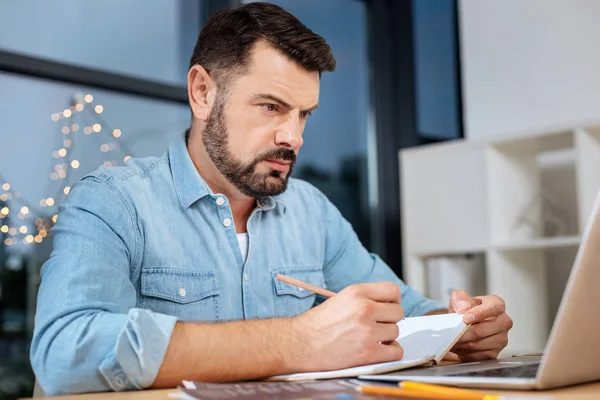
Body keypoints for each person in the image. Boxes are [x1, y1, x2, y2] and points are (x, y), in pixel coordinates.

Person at [30, 2, 512, 396]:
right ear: (202, 93)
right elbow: (64, 353)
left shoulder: (312, 211)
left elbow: (402, 313)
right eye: (271, 107)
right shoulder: (114, 203)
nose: (294, 136)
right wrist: (300, 340)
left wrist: (458, 328)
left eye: (305, 114)